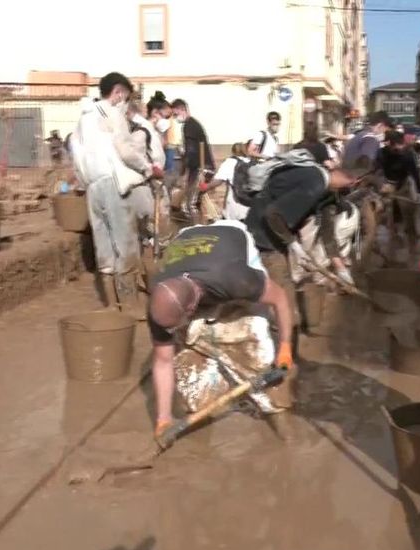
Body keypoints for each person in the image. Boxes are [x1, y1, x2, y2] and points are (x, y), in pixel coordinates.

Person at [148, 220, 295, 439]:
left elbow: (280, 299)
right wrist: (163, 418)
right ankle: (210, 408)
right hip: (188, 241)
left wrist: (284, 345)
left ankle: (281, 423)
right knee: (189, 371)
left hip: (231, 238)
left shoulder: (237, 279)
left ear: (191, 308)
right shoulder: (159, 301)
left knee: (256, 347)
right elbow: (163, 361)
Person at [244, 159, 356, 368]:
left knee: (278, 298)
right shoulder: (314, 184)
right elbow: (273, 215)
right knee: (284, 303)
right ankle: (284, 363)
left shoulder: (325, 188)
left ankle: (287, 355)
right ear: (348, 180)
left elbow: (327, 232)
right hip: (264, 239)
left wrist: (340, 267)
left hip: (273, 236)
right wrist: (293, 244)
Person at [69, 72, 163, 311]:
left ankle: (111, 306)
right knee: (126, 245)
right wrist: (147, 169)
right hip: (113, 184)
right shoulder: (112, 113)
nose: (126, 103)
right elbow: (125, 150)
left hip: (92, 188)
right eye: (126, 97)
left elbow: (77, 161)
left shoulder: (82, 121)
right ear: (118, 92)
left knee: (104, 247)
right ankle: (131, 308)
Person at [126, 100, 167, 249]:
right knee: (148, 215)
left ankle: (155, 242)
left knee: (157, 215)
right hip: (146, 178)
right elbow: (134, 156)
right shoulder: (141, 130)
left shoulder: (149, 129)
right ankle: (151, 244)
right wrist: (151, 169)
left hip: (154, 175)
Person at [171, 98, 214, 223]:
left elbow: (192, 152)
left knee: (190, 204)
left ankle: (197, 231)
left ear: (182, 110)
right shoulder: (193, 124)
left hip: (202, 168)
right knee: (191, 203)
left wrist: (185, 172)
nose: (175, 118)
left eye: (175, 114)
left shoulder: (189, 126)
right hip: (200, 167)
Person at [376, 130, 420, 242]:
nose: (399, 148)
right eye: (396, 145)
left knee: (408, 214)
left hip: (403, 186)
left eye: (401, 145)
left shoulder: (407, 155)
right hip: (387, 186)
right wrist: (382, 184)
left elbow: (414, 173)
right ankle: (393, 238)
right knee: (389, 216)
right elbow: (377, 170)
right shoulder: (381, 153)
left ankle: (412, 240)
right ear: (389, 144)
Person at [207, 142, 251, 221]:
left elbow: (218, 181)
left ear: (233, 151)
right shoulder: (251, 162)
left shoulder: (229, 162)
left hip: (234, 206)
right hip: (250, 206)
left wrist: (205, 186)